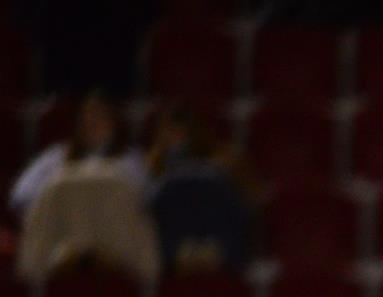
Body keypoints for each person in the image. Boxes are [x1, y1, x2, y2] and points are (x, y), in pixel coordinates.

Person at [12, 91, 157, 281]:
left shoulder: (130, 160)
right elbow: (21, 196)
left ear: (114, 121)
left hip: (116, 250)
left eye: (100, 116)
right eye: (88, 115)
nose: (93, 122)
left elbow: (148, 199)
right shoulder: (54, 157)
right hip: (62, 249)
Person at [146, 103, 252, 273]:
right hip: (175, 231)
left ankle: (215, 249)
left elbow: (248, 195)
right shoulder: (152, 162)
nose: (177, 137)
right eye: (171, 131)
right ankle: (180, 251)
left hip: (214, 225)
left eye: (181, 131)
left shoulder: (222, 157)